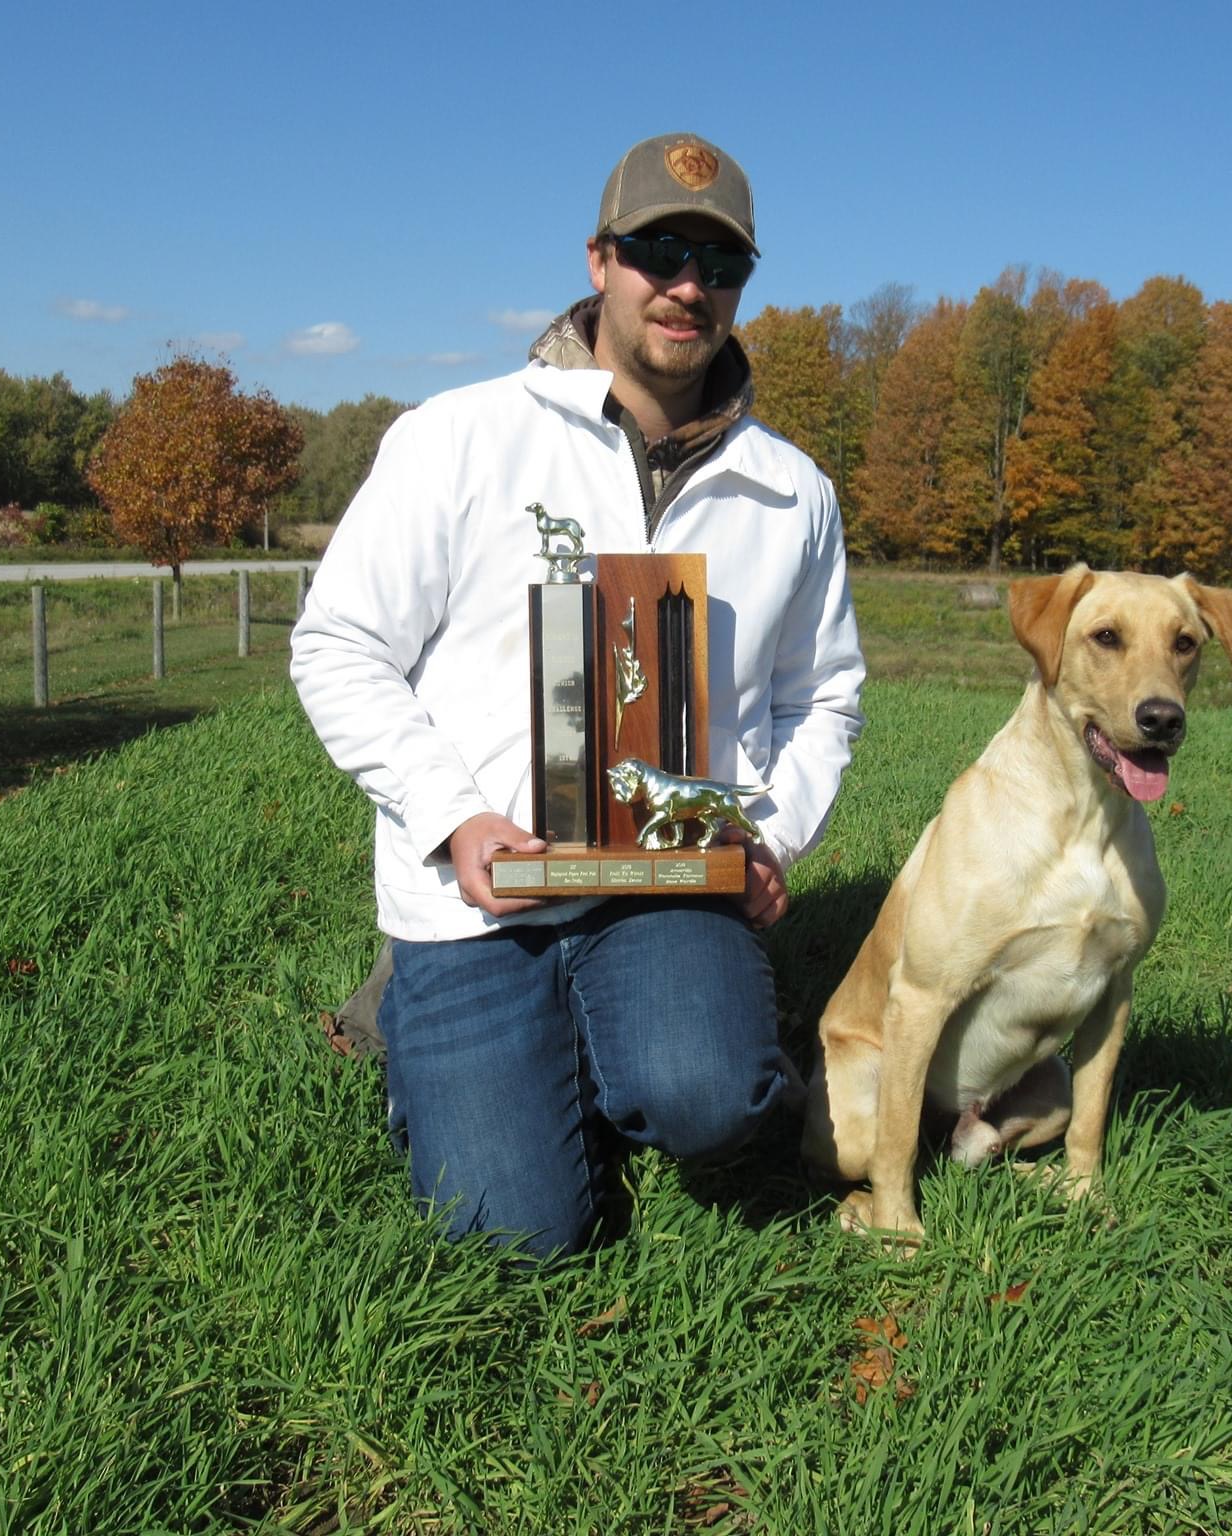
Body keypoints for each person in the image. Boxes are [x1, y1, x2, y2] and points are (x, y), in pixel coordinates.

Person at [289, 133, 866, 1260]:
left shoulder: (792, 493)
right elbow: (339, 645)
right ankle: (414, 1002)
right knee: (515, 1234)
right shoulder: (458, 438)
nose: (687, 285)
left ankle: (644, 1026)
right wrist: (453, 816)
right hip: (479, 897)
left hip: (665, 885)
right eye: (658, 249)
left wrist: (771, 838)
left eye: (719, 262)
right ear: (599, 260)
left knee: (715, 1099)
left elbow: (824, 697)